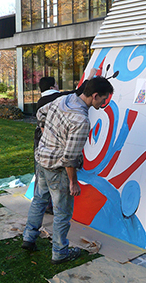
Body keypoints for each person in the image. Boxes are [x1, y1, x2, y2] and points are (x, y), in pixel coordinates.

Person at [22, 77, 114, 264]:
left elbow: (40, 113)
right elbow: (69, 159)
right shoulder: (81, 120)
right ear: (94, 96)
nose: (105, 103)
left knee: (39, 199)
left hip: (42, 159)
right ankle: (59, 252)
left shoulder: (64, 99)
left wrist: (46, 131)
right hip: (57, 168)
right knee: (62, 212)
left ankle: (28, 238)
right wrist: (73, 183)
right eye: (103, 99)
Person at [30, 70, 96, 214]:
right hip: (55, 148)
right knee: (57, 187)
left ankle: (37, 217)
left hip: (41, 144)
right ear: (53, 87)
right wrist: (90, 77)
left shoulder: (41, 101)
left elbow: (40, 114)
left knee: (40, 177)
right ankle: (53, 207)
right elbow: (79, 92)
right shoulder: (59, 97)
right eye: (57, 85)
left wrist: (44, 130)